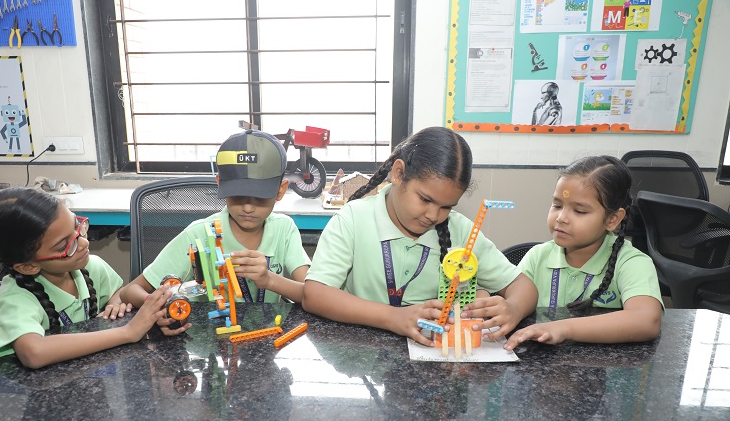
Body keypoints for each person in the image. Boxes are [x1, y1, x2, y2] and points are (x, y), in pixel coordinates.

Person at [302, 126, 538, 347]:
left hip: (431, 357)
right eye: (425, 199)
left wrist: (514, 309)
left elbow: (524, 287)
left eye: (446, 207)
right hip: (358, 353)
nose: (434, 215)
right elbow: (315, 294)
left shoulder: (461, 231)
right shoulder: (353, 219)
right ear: (398, 174)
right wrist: (393, 317)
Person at [119, 129, 311, 331]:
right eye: (238, 195)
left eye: (260, 196)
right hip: (209, 341)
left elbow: (312, 294)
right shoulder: (198, 234)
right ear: (220, 184)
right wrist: (159, 307)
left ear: (280, 190)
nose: (248, 207)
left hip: (267, 337)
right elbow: (130, 290)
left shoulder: (284, 230)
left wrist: (270, 280)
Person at [0, 187, 173, 369]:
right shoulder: (17, 297)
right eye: (63, 246)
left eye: (77, 227)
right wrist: (128, 332)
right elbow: (33, 353)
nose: (83, 243)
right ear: (28, 266)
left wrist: (115, 304)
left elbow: (118, 293)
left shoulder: (92, 266)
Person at [504, 155, 663, 350]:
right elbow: (513, 301)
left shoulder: (632, 263)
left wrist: (564, 328)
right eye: (557, 205)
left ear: (613, 219)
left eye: (579, 211)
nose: (561, 218)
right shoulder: (537, 257)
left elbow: (646, 320)